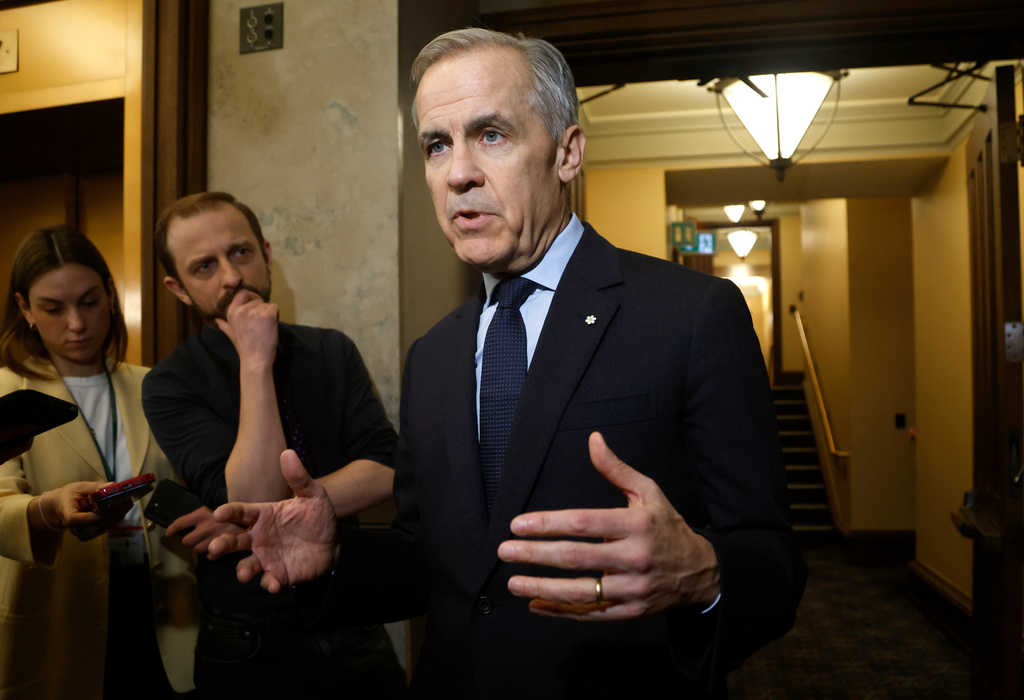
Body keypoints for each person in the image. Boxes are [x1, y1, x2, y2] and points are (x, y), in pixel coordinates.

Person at [210, 28, 807, 698]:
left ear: (567, 153)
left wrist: (705, 574)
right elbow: (431, 561)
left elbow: (773, 562)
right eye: (438, 145)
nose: (458, 172)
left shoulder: (691, 315)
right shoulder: (432, 355)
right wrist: (335, 559)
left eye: (491, 134)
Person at [142, 191, 407, 699]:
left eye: (240, 252)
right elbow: (254, 490)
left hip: (350, 613)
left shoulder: (331, 350)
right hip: (248, 636)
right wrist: (255, 362)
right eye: (204, 266)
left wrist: (266, 511)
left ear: (265, 254)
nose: (231, 276)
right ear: (177, 289)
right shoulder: (170, 382)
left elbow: (386, 467)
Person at [0, 225, 198, 699]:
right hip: (61, 609)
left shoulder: (156, 385)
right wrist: (48, 509)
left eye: (89, 302)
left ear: (111, 295)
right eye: (53, 308)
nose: (76, 323)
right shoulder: (8, 390)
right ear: (25, 308)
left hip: (160, 608)